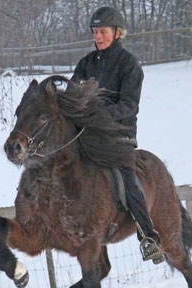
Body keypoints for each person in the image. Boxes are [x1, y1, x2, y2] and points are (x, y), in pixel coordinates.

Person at [70, 6, 164, 264]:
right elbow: (72, 96)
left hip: (118, 136)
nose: (97, 36)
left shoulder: (130, 65)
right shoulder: (86, 63)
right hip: (87, 136)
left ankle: (148, 237)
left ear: (117, 33)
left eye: (103, 31)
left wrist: (99, 115)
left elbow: (129, 105)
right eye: (95, 32)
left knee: (129, 179)